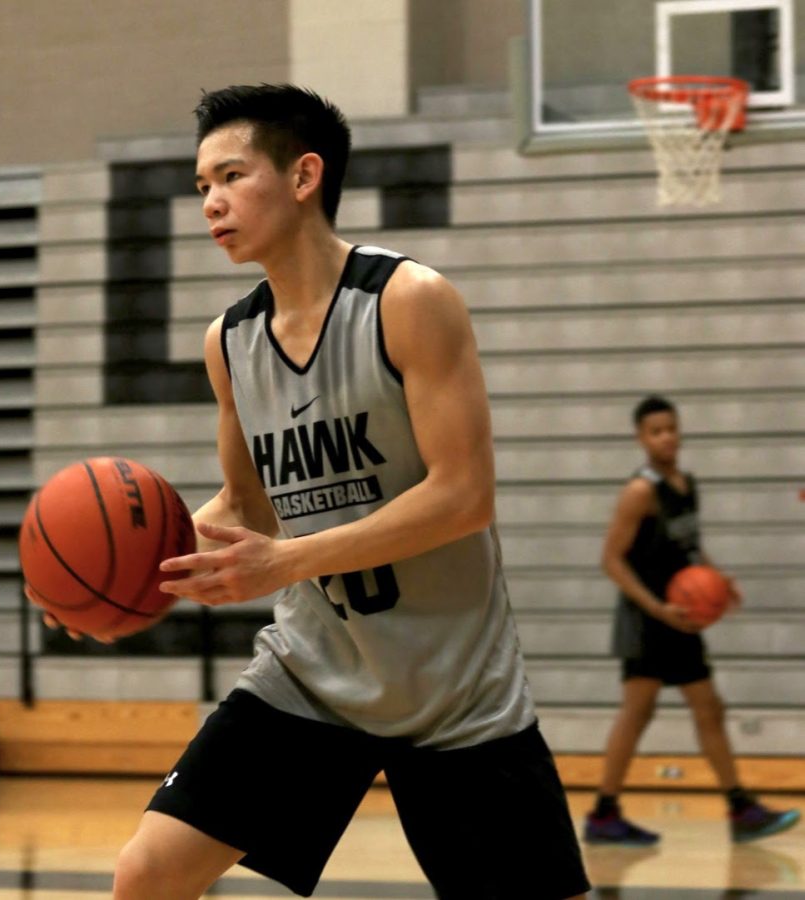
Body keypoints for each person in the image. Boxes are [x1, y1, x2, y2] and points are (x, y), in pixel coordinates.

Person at [105, 84, 591, 900]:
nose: (211, 203)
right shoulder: (230, 341)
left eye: (230, 176)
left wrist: (287, 561)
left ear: (303, 177)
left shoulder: (409, 301)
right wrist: (121, 574)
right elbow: (246, 507)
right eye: (201, 187)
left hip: (453, 690)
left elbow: (463, 496)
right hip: (310, 673)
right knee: (146, 876)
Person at [584, 394, 800, 846]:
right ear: (641, 438)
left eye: (671, 428)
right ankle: (605, 813)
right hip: (650, 620)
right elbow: (611, 560)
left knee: (709, 709)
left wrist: (717, 579)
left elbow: (689, 549)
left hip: (681, 620)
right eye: (655, 431)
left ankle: (740, 808)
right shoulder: (640, 491)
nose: (666, 437)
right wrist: (656, 607)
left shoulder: (685, 483)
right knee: (638, 713)